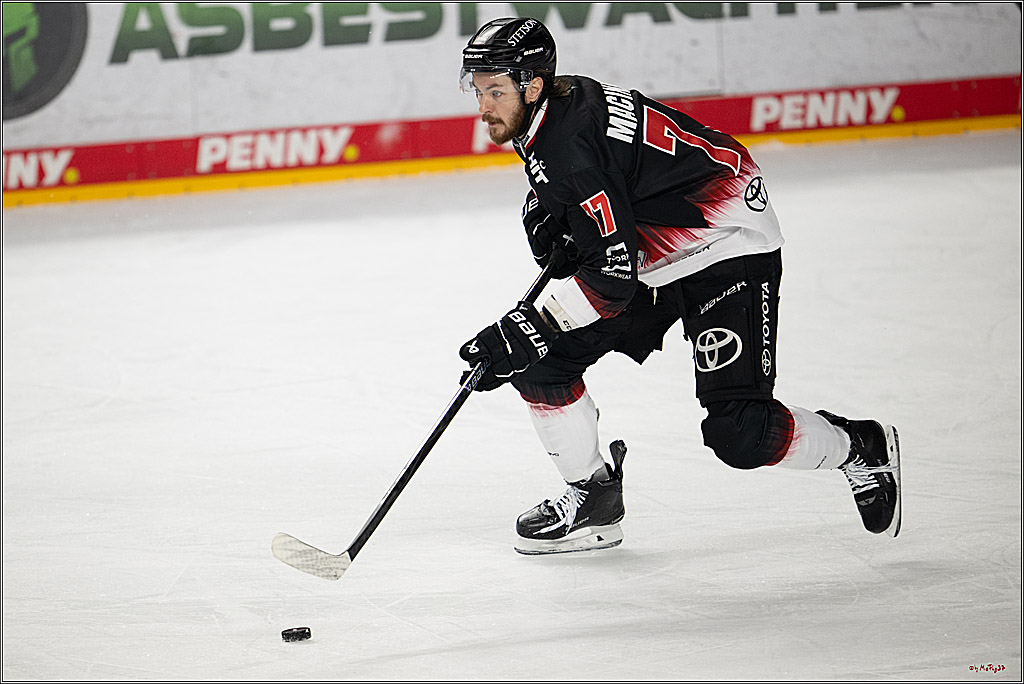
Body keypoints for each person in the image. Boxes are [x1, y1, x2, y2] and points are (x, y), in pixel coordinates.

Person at [456, 17, 901, 555]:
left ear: (532, 87)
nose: (484, 106)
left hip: (726, 245)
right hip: (658, 251)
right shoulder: (559, 104)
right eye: (478, 90)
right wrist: (553, 211)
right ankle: (594, 501)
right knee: (543, 363)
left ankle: (862, 447)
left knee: (742, 432)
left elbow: (611, 280)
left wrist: (531, 324)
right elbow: (612, 177)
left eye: (495, 91)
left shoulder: (564, 147)